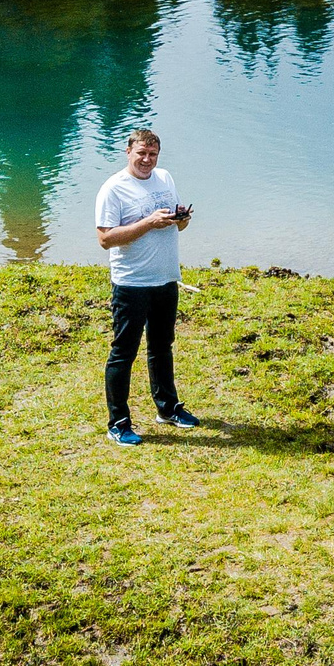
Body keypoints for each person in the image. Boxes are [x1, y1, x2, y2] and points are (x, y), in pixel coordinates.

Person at [95, 129, 197, 446]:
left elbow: (179, 225)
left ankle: (167, 409)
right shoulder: (113, 189)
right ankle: (119, 423)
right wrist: (148, 223)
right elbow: (105, 239)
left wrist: (181, 219)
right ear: (128, 152)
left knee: (161, 347)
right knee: (123, 353)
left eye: (152, 154)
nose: (147, 160)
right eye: (141, 153)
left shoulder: (165, 178)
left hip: (166, 279)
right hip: (132, 284)